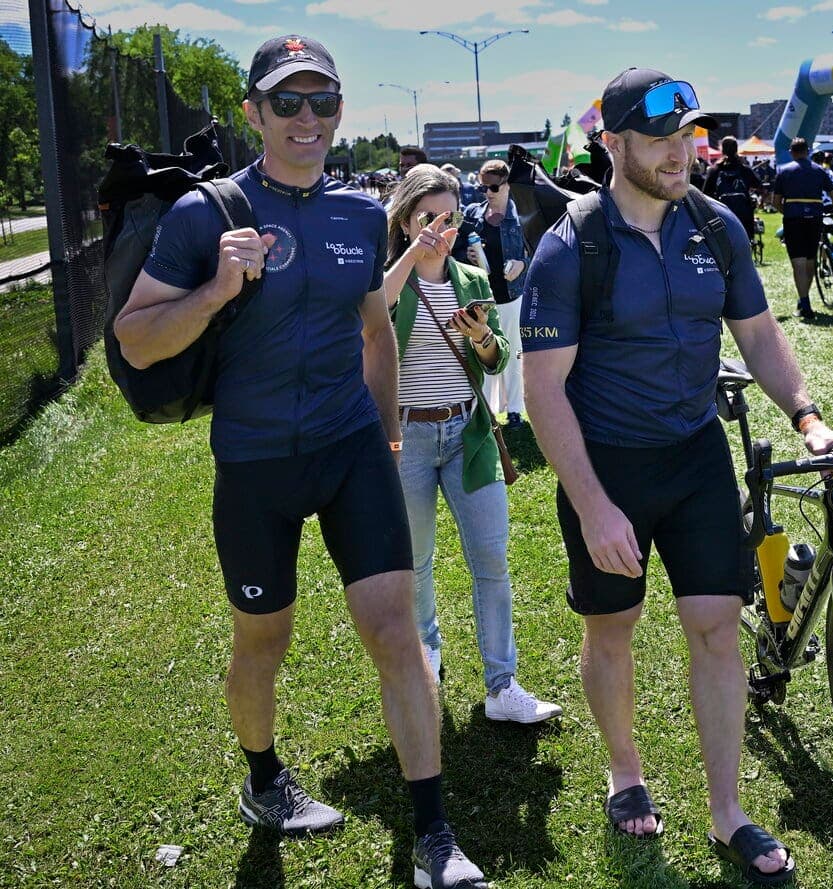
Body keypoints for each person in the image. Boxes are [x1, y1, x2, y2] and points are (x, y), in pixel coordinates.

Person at [111, 35, 489, 888]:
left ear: (340, 112)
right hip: (254, 463)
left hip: (350, 447)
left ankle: (434, 833)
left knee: (396, 632)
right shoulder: (207, 214)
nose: (307, 118)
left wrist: (388, 435)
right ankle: (263, 780)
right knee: (263, 641)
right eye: (287, 102)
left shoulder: (360, 213)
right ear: (253, 114)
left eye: (322, 101)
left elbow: (373, 330)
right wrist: (212, 292)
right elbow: (135, 341)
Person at [521, 66, 833, 886]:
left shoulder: (718, 226)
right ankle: (625, 771)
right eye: (660, 138)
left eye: (687, 135)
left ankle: (727, 809)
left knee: (714, 626)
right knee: (612, 628)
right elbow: (543, 390)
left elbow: (761, 336)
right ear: (613, 144)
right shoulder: (572, 244)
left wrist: (804, 411)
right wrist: (592, 506)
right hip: (608, 463)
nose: (679, 151)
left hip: (697, 451)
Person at [382, 164, 562, 722]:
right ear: (407, 219)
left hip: (469, 433)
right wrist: (414, 252)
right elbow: (370, 314)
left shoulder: (472, 280)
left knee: (491, 558)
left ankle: (502, 686)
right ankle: (426, 657)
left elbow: (498, 358)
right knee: (415, 563)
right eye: (429, 216)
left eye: (451, 216)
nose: (443, 227)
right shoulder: (390, 276)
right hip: (406, 437)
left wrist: (482, 336)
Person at [454, 159, 531, 427]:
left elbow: (541, 250)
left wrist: (523, 264)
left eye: (494, 187)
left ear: (507, 184)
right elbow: (454, 247)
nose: (487, 192)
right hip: (481, 296)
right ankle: (484, 411)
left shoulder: (522, 214)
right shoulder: (472, 213)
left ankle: (515, 411)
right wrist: (468, 255)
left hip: (511, 295)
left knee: (511, 353)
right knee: (480, 352)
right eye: (482, 186)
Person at [773, 136, 833, 319]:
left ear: (791, 152)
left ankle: (804, 301)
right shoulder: (819, 170)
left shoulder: (783, 171)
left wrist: (787, 211)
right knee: (811, 260)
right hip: (814, 219)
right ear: (807, 151)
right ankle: (804, 299)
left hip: (793, 220)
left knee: (798, 262)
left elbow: (776, 201)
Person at [703, 135, 761, 239]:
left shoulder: (715, 170)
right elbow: (759, 186)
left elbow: (706, 194)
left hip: (721, 214)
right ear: (736, 149)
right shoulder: (744, 170)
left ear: (722, 149)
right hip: (744, 215)